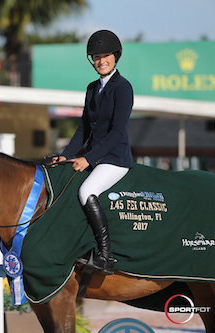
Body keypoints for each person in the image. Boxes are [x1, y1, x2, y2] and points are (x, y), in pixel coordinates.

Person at [54, 30, 134, 275]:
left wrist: (87, 158)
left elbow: (117, 133)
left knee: (86, 190)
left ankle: (106, 257)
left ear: (115, 57)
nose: (101, 61)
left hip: (115, 159)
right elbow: (84, 128)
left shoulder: (123, 88)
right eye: (97, 57)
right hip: (95, 158)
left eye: (105, 56)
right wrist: (66, 155)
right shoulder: (91, 88)